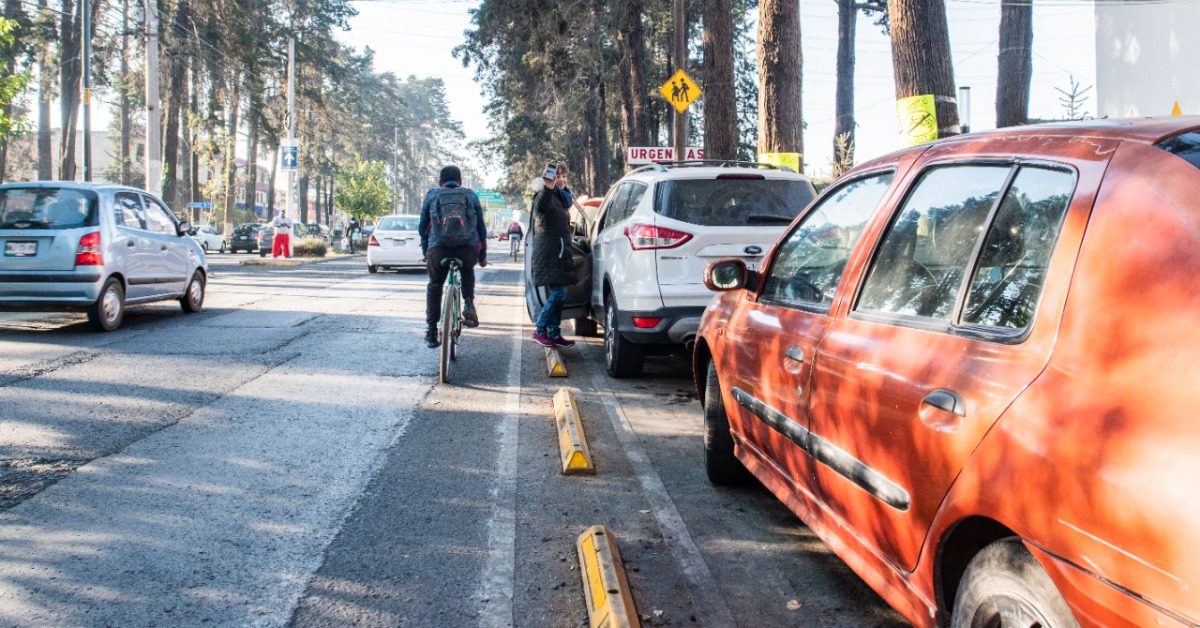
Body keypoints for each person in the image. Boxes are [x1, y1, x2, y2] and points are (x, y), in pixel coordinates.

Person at [419, 165, 488, 349]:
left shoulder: (432, 194)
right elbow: (481, 228)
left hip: (438, 249)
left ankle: (432, 330)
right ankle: (469, 304)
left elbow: (422, 228)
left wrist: (426, 252)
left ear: (440, 182)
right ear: (460, 182)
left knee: (434, 285)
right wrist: (482, 256)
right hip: (466, 250)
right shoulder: (470, 194)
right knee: (467, 269)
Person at [529, 162, 576, 348]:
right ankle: (540, 330)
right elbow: (540, 207)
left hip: (559, 250)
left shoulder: (562, 198)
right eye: (558, 176)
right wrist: (548, 188)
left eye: (564, 176)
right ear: (549, 179)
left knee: (560, 292)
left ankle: (554, 333)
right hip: (550, 252)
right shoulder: (545, 195)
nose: (562, 179)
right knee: (559, 292)